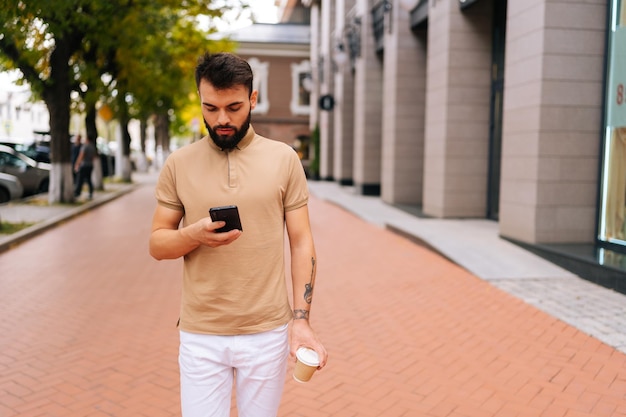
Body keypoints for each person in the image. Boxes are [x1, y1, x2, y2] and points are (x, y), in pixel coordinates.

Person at [149, 52, 327, 417]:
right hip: (201, 334)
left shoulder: (284, 158)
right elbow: (157, 243)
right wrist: (194, 234)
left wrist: (301, 320)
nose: (222, 119)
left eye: (233, 106)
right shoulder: (179, 163)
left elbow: (301, 241)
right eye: (210, 108)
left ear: (253, 99)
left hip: (267, 333)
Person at [73, 134, 96, 199]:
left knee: (80, 179)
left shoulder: (85, 146)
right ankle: (91, 192)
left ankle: (77, 193)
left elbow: (81, 156)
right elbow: (93, 157)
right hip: (90, 165)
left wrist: (77, 164)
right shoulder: (92, 147)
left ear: (87, 139)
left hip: (84, 165)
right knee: (89, 179)